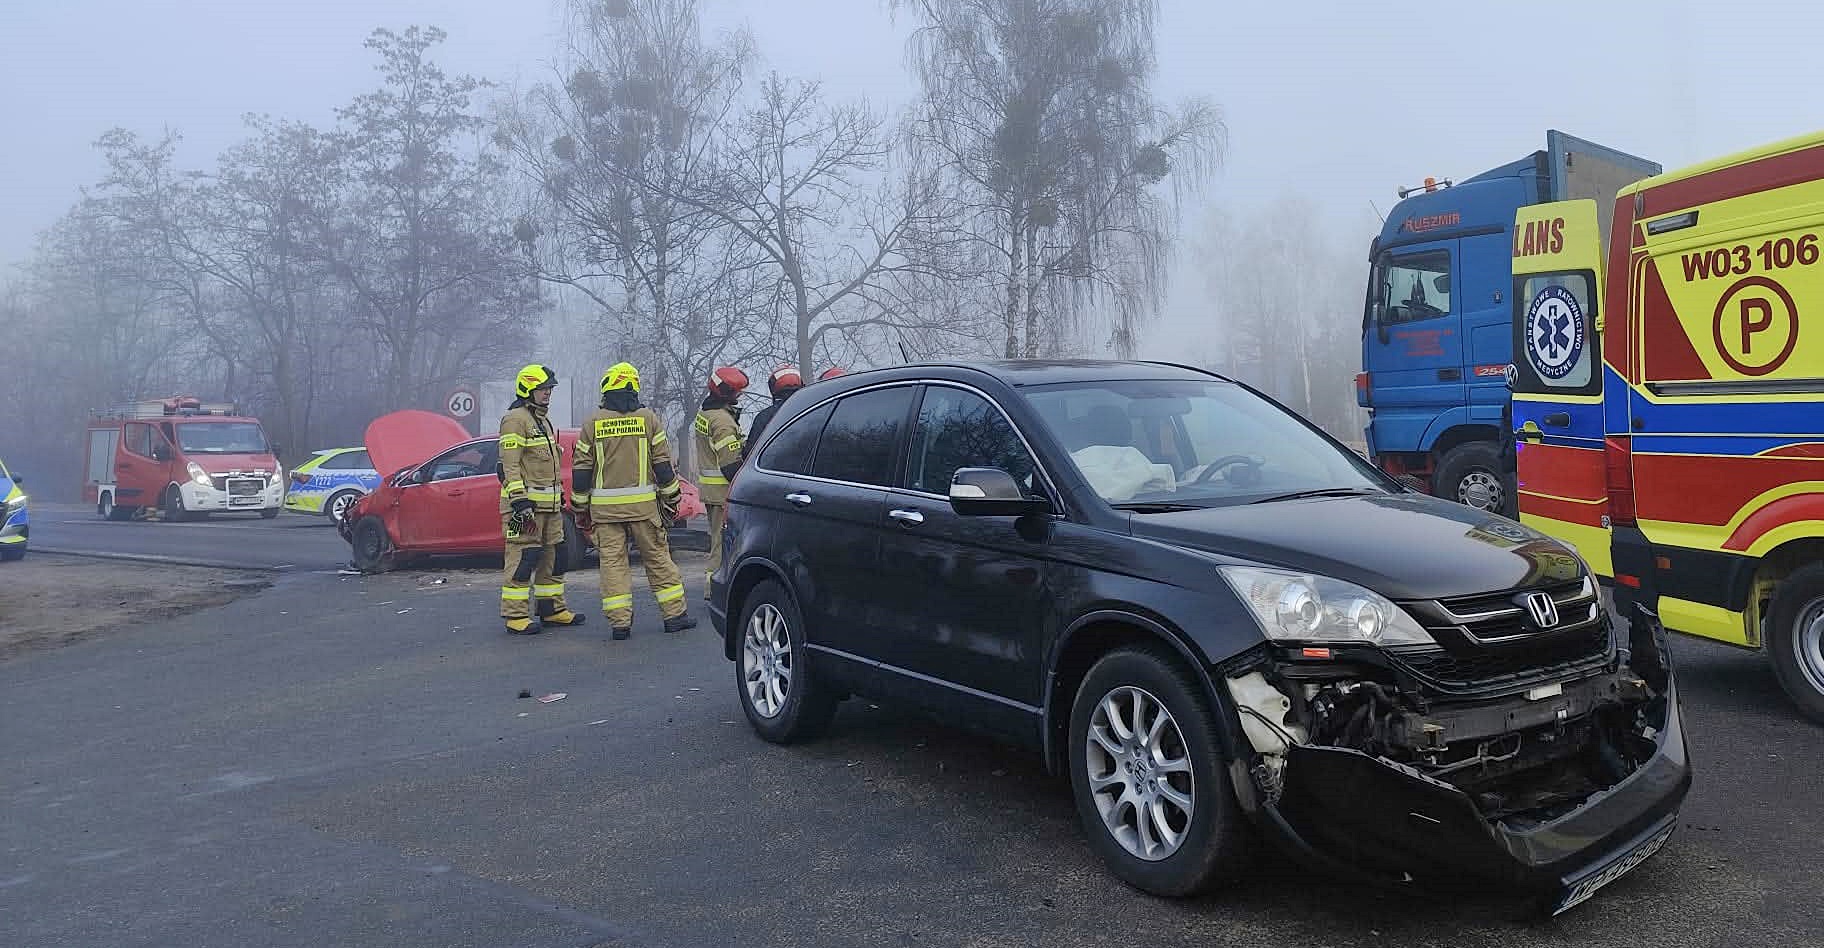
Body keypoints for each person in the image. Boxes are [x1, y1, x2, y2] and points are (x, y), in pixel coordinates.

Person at [571, 362, 697, 641]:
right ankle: (674, 616)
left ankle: (620, 625)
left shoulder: (593, 422)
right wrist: (673, 497)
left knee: (613, 565)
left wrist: (580, 506)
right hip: (644, 510)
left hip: (605, 513)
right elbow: (663, 466)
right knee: (658, 560)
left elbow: (581, 469)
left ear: (607, 387)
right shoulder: (648, 419)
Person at [498, 364, 585, 635]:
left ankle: (552, 610)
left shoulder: (543, 420)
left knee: (555, 557)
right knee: (523, 558)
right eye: (543, 388)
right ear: (528, 390)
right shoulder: (515, 419)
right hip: (523, 509)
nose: (547, 393)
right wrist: (519, 501)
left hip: (550, 507)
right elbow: (509, 466)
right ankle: (515, 616)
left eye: (549, 389)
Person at [693, 367, 749, 597]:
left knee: (717, 539)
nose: (739, 396)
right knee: (721, 544)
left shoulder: (705, 414)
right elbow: (730, 466)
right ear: (727, 394)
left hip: (711, 491)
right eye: (737, 392)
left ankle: (713, 586)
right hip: (723, 493)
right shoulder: (723, 422)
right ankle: (713, 589)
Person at [741, 365, 804, 461]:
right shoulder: (813, 410)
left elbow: (750, 453)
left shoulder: (764, 417)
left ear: (774, 388)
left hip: (773, 471)